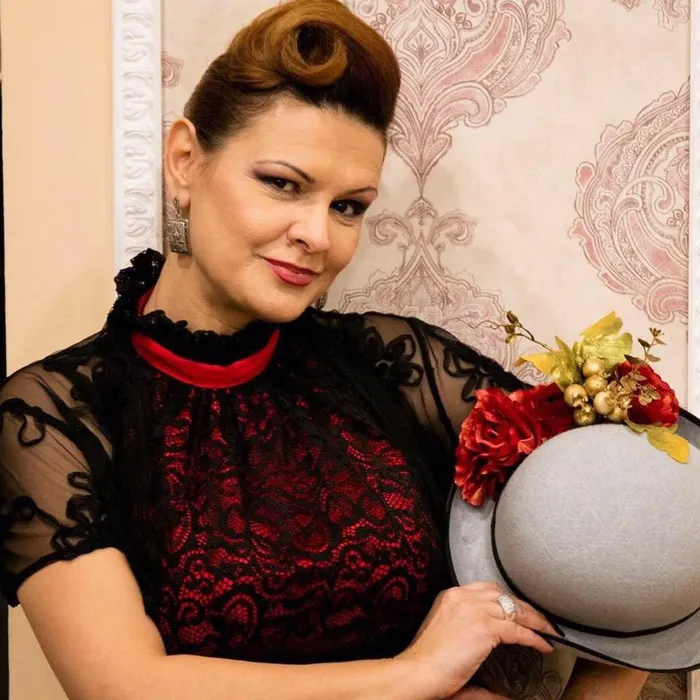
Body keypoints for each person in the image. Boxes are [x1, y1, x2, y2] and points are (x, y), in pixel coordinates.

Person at [0, 1, 649, 698]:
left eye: (349, 206)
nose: (319, 235)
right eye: (282, 184)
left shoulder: (395, 363)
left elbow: (644, 526)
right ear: (185, 161)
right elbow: (124, 686)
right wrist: (413, 675)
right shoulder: (55, 415)